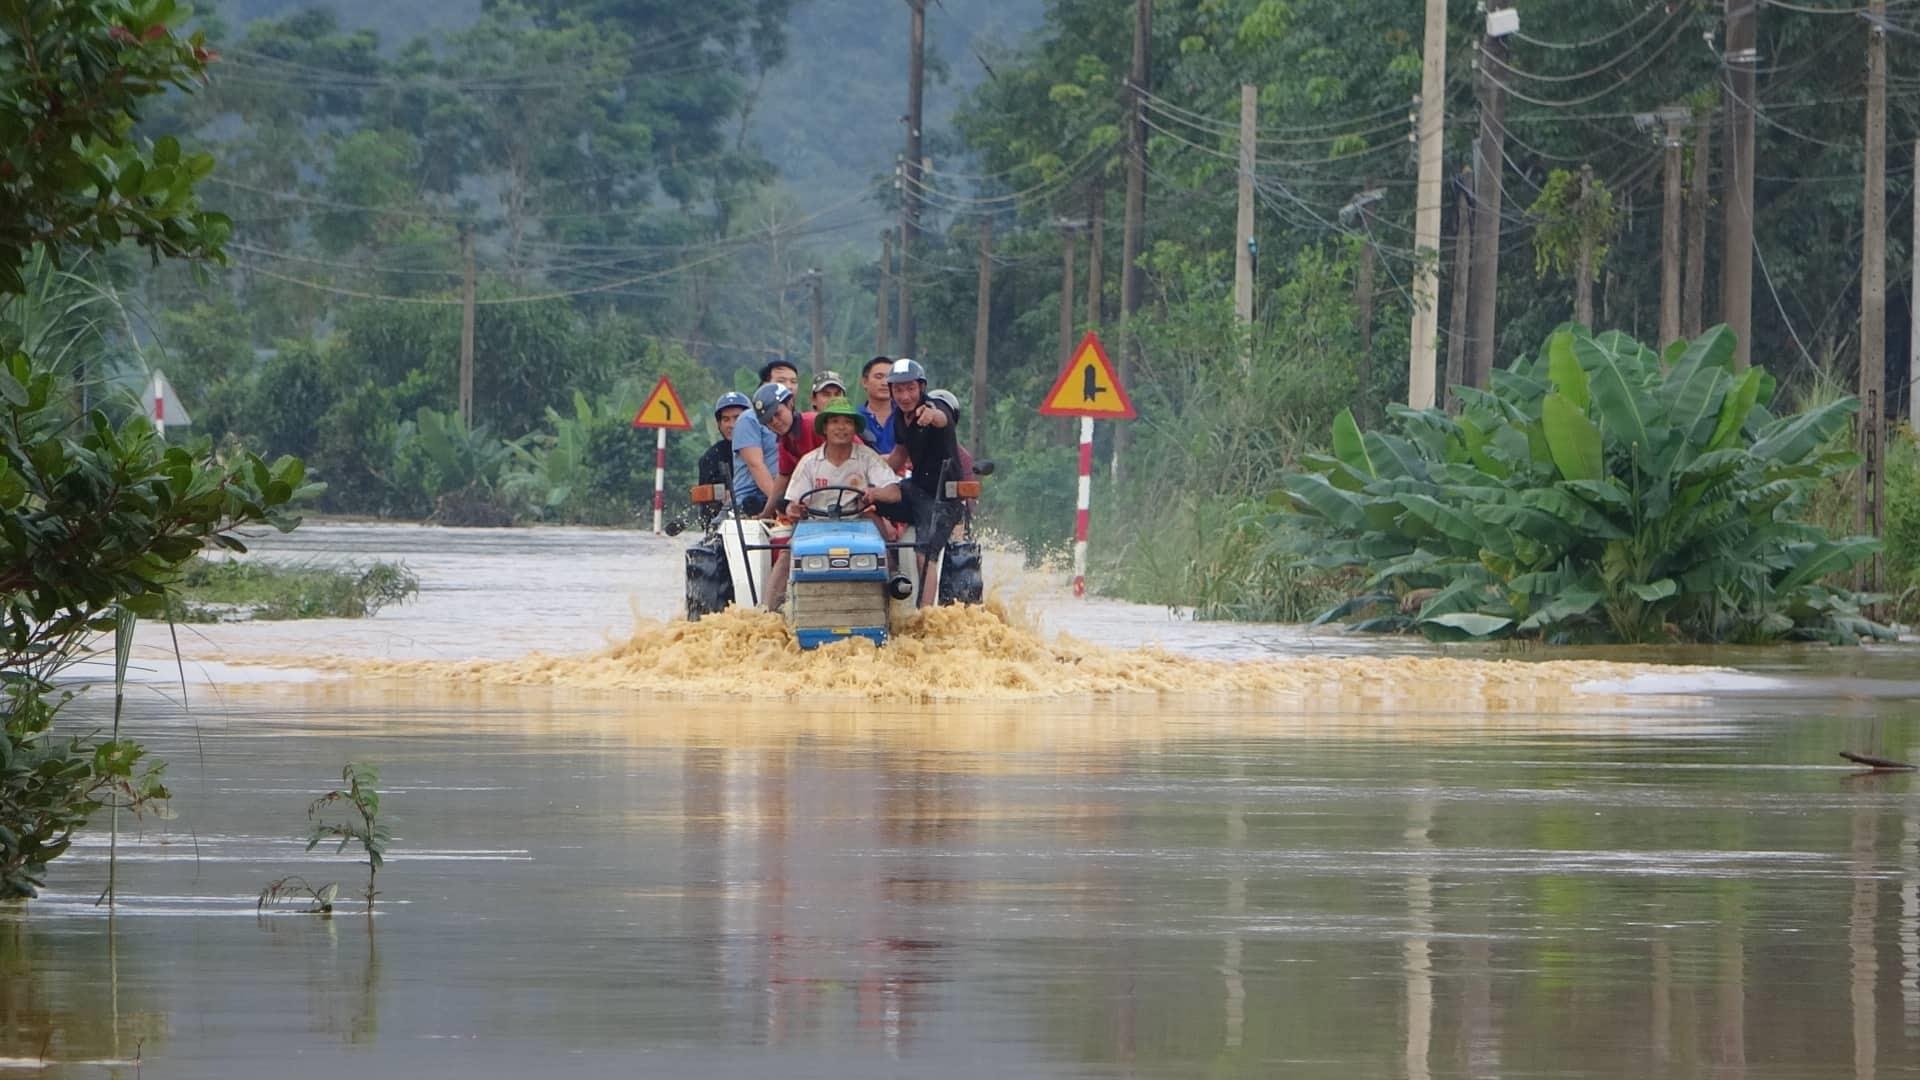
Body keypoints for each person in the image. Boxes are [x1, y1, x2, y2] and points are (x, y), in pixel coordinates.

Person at [761, 397, 902, 610]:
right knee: (786, 555)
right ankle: (767, 612)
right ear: (825, 428)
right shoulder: (809, 462)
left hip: (858, 520)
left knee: (884, 551)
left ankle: (895, 603)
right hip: (815, 524)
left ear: (855, 428)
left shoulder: (868, 458)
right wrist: (794, 509)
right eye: (835, 421)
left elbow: (894, 492)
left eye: (847, 422)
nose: (841, 427)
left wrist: (876, 493)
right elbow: (791, 503)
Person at [879, 358, 962, 607]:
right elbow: (898, 456)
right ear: (891, 391)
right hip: (916, 489)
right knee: (868, 502)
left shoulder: (934, 406)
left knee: (924, 556)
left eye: (911, 389)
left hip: (941, 497)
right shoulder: (898, 417)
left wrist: (930, 416)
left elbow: (941, 418)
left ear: (921, 387)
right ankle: (889, 564)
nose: (905, 396)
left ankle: (926, 615)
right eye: (899, 390)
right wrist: (869, 472)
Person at [732, 382, 795, 517]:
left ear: (790, 403)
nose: (775, 422)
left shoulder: (793, 425)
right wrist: (779, 507)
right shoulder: (749, 419)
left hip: (785, 498)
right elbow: (756, 465)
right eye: (781, 379)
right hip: (750, 500)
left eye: (792, 381)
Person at [698, 391, 751, 527]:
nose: (731, 425)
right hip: (725, 524)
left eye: (737, 418)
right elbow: (706, 502)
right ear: (719, 424)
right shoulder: (711, 457)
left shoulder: (767, 448)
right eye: (726, 419)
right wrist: (724, 494)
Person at [857, 355, 897, 454]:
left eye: (889, 377)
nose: (885, 383)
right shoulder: (855, 418)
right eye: (879, 377)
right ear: (865, 382)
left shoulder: (906, 414)